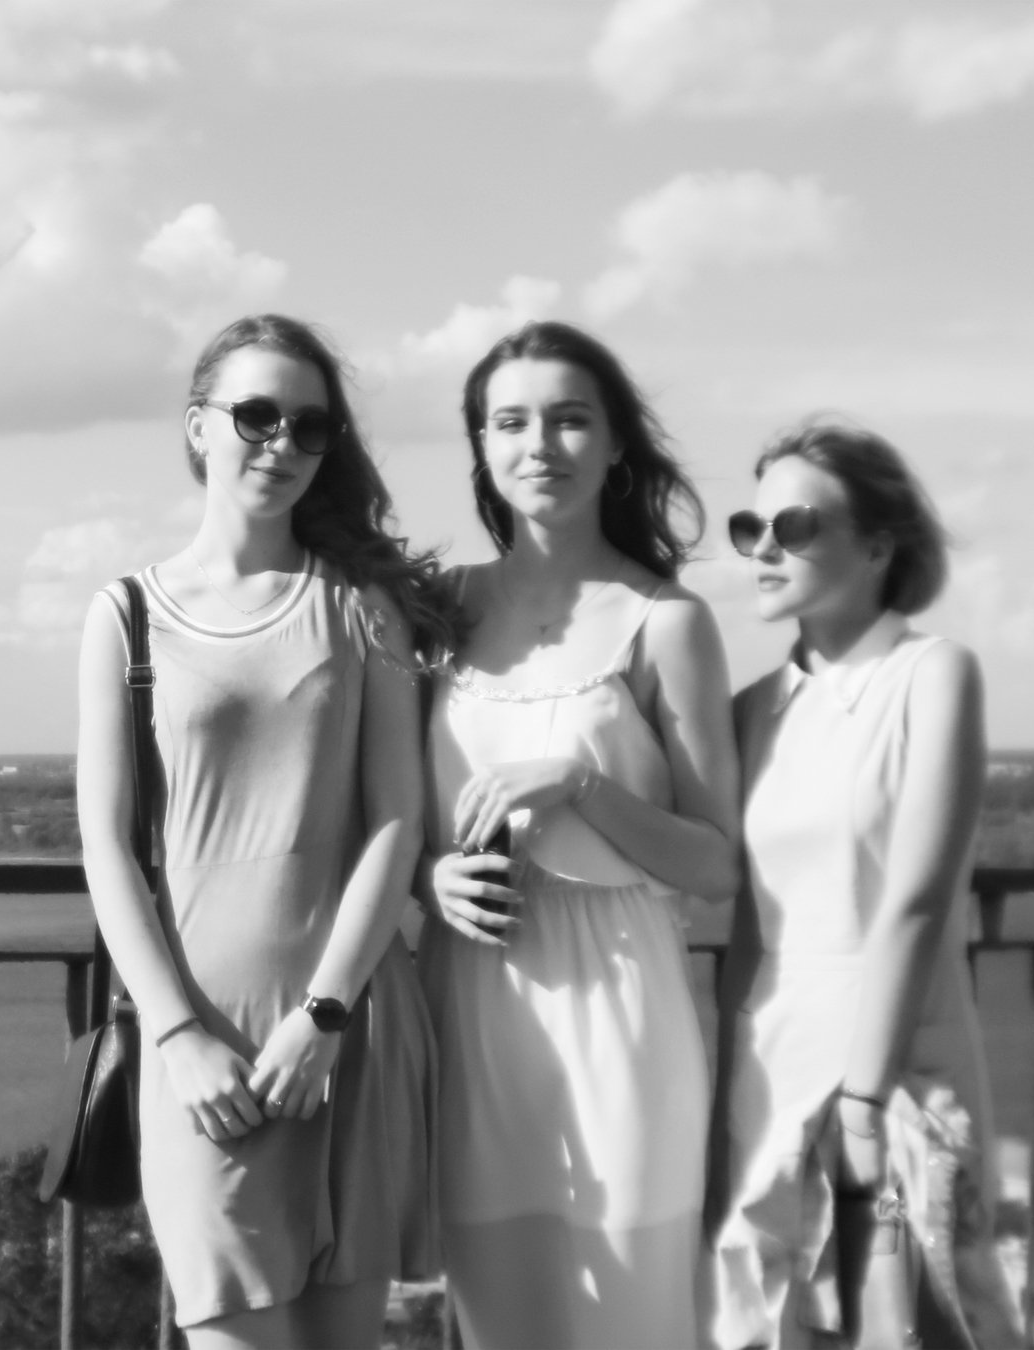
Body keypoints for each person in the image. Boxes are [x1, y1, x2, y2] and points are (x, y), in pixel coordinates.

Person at [75, 314, 449, 1349]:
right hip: (206, 1053)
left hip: (350, 1028)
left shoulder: (364, 608)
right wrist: (177, 1037)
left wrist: (324, 1017)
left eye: (309, 426)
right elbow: (108, 847)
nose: (282, 442)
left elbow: (396, 822)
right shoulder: (128, 615)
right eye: (256, 416)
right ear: (199, 426)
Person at [417, 320, 741, 1349]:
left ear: (614, 444)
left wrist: (581, 784)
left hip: (620, 1004)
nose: (539, 445)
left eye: (568, 419)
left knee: (632, 1321)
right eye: (510, 422)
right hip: (472, 1002)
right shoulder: (438, 609)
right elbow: (395, 820)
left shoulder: (666, 620)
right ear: (481, 447)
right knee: (500, 1324)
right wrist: (429, 881)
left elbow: (717, 866)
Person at [712, 421, 1023, 1349]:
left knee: (908, 1321)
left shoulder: (931, 676)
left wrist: (862, 1102)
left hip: (896, 1073)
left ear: (880, 545)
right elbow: (747, 925)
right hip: (770, 1071)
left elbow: (916, 902)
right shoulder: (751, 712)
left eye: (795, 525)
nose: (764, 549)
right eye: (751, 528)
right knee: (769, 1325)